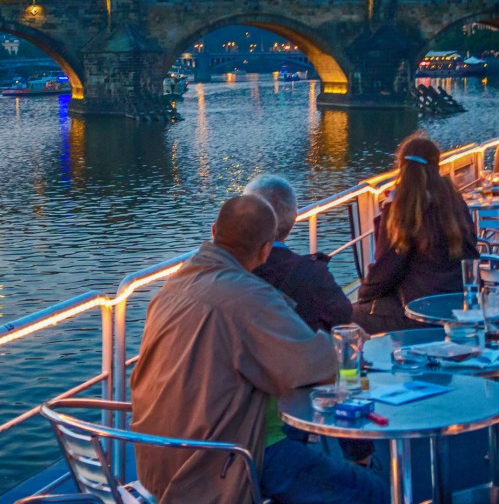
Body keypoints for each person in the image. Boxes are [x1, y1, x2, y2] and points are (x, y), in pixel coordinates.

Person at [130, 196, 387, 504]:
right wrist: (351, 344)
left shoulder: (173, 287)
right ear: (266, 250)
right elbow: (315, 366)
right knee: (373, 492)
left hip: (157, 458)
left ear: (214, 231)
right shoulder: (248, 298)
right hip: (221, 461)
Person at [353, 135, 479, 333]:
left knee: (338, 317)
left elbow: (385, 269)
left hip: (416, 313)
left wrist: (364, 295)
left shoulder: (402, 209)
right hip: (457, 307)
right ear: (437, 166)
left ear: (401, 168)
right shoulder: (455, 201)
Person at [245, 173, 353, 331]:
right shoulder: (313, 274)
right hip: (300, 353)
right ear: (294, 218)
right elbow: (343, 315)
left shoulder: (223, 272)